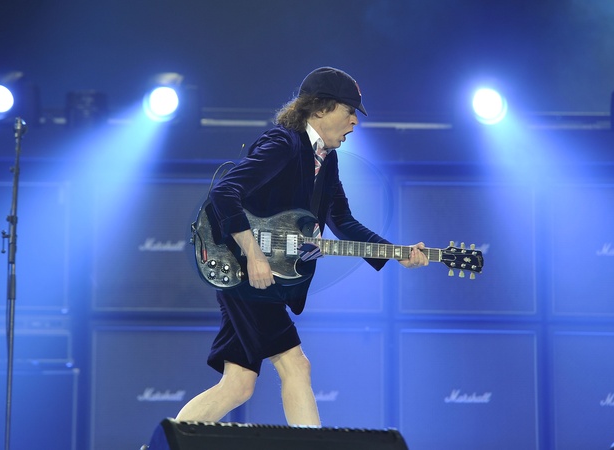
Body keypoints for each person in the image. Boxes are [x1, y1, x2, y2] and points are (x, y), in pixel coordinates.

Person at [176, 67, 429, 426]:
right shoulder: (284, 144)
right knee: (296, 366)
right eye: (349, 110)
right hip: (247, 274)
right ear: (321, 108)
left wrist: (397, 253)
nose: (355, 121)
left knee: (237, 386)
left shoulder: (327, 159)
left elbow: (342, 221)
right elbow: (224, 192)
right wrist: (254, 254)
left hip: (261, 279)